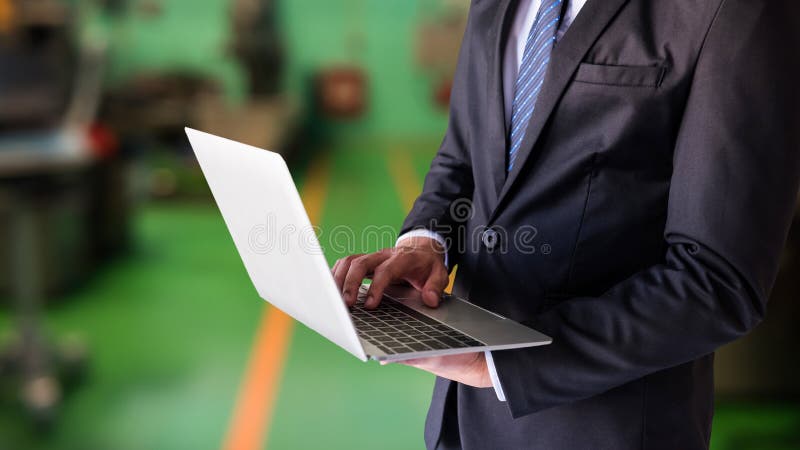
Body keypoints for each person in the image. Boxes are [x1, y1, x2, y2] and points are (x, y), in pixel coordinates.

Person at [332, 0, 800, 448]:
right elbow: (464, 157)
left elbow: (716, 281)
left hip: (601, 429)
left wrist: (502, 365)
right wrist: (426, 241)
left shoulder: (734, 9)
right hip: (464, 422)